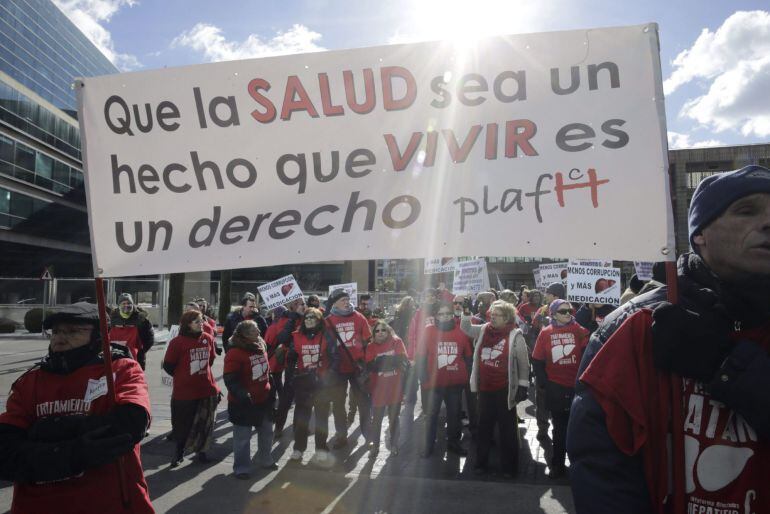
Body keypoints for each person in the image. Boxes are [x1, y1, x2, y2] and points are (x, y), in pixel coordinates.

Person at [567, 166, 770, 514]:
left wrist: (725, 365)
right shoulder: (635, 325)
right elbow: (602, 464)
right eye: (746, 210)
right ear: (700, 233)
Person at [0, 302, 154, 513]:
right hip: (39, 505)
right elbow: (7, 453)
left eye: (72, 331)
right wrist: (73, 453)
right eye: (56, 331)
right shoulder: (30, 382)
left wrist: (49, 430)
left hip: (109, 503)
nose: (61, 337)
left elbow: (131, 424)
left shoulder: (119, 370)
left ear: (98, 336)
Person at [461, 300, 530, 477]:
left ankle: (509, 467)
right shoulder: (484, 329)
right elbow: (466, 329)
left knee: (508, 431)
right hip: (485, 389)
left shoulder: (515, 335)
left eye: (497, 315)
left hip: (504, 390)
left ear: (507, 317)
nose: (492, 317)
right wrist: (467, 312)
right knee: (484, 428)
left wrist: (523, 385)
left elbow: (524, 362)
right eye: (491, 314)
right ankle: (480, 463)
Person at [532, 299, 589, 478]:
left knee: (578, 428)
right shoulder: (546, 332)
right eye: (563, 311)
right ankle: (557, 465)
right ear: (553, 313)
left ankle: (578, 465)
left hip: (577, 388)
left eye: (569, 311)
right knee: (559, 428)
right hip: (555, 388)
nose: (567, 314)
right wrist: (544, 383)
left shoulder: (580, 330)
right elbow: (537, 360)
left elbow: (590, 355)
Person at [163, 310, 219, 467]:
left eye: (202, 320)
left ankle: (201, 452)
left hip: (206, 389)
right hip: (184, 392)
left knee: (204, 424)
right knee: (182, 424)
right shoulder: (177, 342)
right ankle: (178, 453)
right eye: (197, 321)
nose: (201, 323)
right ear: (188, 324)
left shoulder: (207, 339)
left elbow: (211, 361)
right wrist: (184, 376)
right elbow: (168, 365)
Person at [417, 302, 473, 457]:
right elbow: (421, 355)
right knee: (431, 415)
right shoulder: (428, 331)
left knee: (454, 415)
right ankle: (428, 445)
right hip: (434, 383)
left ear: (452, 314)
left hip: (455, 383)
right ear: (436, 316)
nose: (445, 316)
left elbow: (468, 356)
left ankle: (454, 443)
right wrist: (423, 376)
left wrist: (466, 377)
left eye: (447, 313)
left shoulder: (461, 332)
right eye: (441, 314)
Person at [223, 320, 275, 479]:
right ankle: (242, 467)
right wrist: (243, 394)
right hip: (243, 403)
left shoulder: (260, 345)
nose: (259, 333)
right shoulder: (235, 353)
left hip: (263, 399)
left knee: (267, 432)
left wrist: (272, 389)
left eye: (258, 330)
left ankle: (265, 459)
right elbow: (230, 378)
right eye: (254, 331)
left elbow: (267, 371)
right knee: (242, 437)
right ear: (244, 335)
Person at [289, 307, 337, 465]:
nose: (309, 320)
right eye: (306, 317)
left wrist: (328, 374)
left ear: (319, 320)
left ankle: (321, 448)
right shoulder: (296, 336)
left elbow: (335, 357)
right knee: (302, 418)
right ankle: (298, 448)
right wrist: (291, 376)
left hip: (321, 383)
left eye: (313, 318)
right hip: (304, 382)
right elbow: (290, 358)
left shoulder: (326, 335)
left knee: (322, 418)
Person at [325, 288, 372, 448]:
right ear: (335, 303)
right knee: (338, 404)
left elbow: (369, 340)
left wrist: (368, 361)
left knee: (363, 402)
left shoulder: (358, 317)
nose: (346, 302)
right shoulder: (329, 320)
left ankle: (368, 435)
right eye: (342, 300)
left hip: (357, 367)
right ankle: (341, 436)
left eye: (347, 299)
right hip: (338, 369)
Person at [365, 320, 408, 456]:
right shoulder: (370, 346)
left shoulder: (397, 342)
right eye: (377, 330)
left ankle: (394, 444)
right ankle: (375, 447)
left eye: (383, 330)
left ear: (388, 331)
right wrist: (391, 361)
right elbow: (371, 366)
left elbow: (402, 361)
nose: (380, 333)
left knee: (394, 418)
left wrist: (381, 361)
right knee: (376, 420)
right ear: (373, 333)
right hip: (378, 390)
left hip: (395, 388)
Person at [264, 298, 305, 437]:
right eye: (297, 304)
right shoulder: (285, 320)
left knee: (303, 399)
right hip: (292, 364)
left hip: (307, 363)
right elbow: (282, 338)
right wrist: (293, 320)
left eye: (303, 303)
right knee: (286, 398)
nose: (301, 306)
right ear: (291, 307)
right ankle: (279, 428)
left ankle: (298, 430)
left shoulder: (309, 317)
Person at [109, 292, 154, 370]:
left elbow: (149, 338)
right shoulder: (112, 318)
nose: (126, 305)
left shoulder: (141, 319)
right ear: (119, 305)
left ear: (133, 304)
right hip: (114, 358)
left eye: (129, 303)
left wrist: (141, 351)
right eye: (124, 303)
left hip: (136, 359)